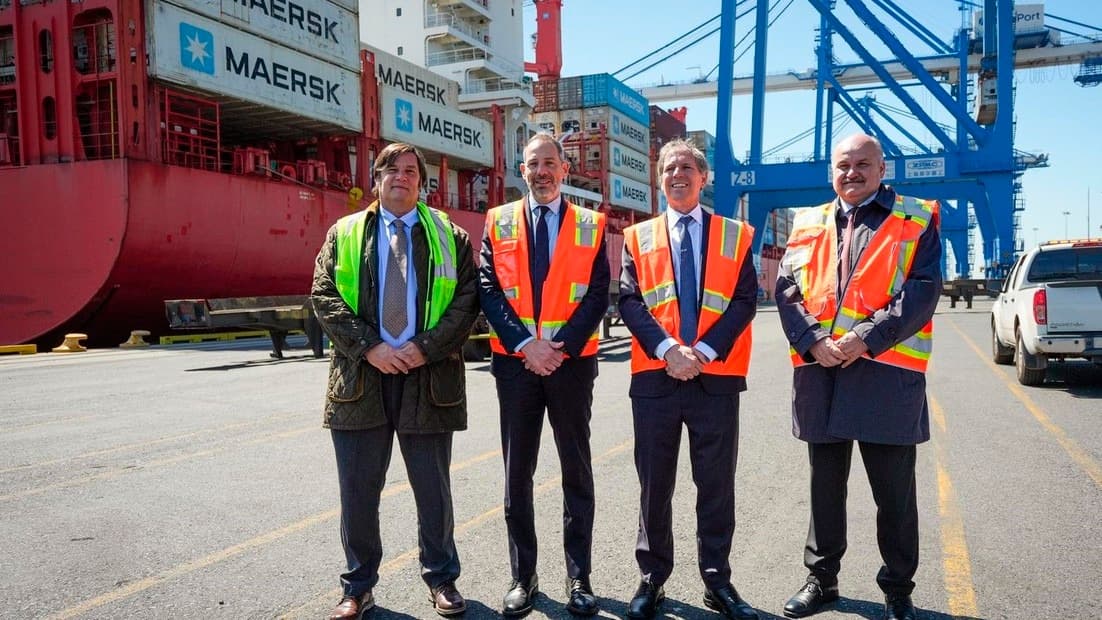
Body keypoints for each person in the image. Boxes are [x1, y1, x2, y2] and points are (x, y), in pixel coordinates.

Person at [775, 133, 942, 620]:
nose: (852, 173)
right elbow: (787, 289)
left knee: (894, 494)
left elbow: (923, 290)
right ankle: (821, 580)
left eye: (863, 164)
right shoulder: (807, 223)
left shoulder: (915, 218)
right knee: (824, 487)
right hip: (820, 371)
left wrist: (864, 338)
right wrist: (814, 342)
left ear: (882, 168)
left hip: (885, 374)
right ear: (832, 171)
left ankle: (898, 589)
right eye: (844, 165)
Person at [311, 142, 479, 619]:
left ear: (421, 183)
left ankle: (442, 579)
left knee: (433, 489)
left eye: (410, 171)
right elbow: (323, 294)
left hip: (427, 377)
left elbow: (467, 299)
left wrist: (424, 347)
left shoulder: (450, 235)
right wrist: (371, 347)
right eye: (392, 170)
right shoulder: (344, 232)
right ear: (377, 176)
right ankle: (357, 587)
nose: (401, 177)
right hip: (361, 377)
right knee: (358, 491)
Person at [617, 139, 759, 620]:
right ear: (659, 181)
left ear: (703, 177)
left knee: (715, 486)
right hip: (657, 378)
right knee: (654, 486)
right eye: (668, 168)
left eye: (685, 167)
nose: (676, 174)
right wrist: (668, 350)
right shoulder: (638, 236)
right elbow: (630, 301)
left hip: (714, 377)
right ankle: (652, 578)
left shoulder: (734, 235)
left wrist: (700, 352)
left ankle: (717, 580)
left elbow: (744, 300)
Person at [478, 132, 611, 617]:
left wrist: (559, 347)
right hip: (516, 366)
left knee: (576, 471)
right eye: (533, 163)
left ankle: (580, 578)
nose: (542, 172)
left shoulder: (591, 224)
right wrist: (524, 345)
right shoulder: (499, 220)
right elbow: (489, 289)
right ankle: (523, 576)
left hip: (570, 365)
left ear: (565, 169)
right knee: (518, 474)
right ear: (523, 168)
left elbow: (599, 293)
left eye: (550, 163)